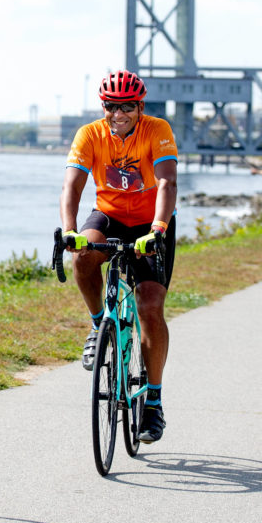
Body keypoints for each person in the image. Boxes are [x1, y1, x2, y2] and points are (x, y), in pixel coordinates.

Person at [60, 70, 178, 443]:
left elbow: (166, 181)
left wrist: (158, 228)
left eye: (128, 106)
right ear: (104, 108)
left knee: (149, 305)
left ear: (140, 107)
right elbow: (73, 185)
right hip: (109, 215)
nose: (120, 113)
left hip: (150, 223)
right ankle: (99, 324)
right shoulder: (90, 134)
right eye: (113, 107)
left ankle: (154, 404)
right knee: (83, 256)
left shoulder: (157, 129)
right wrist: (69, 230)